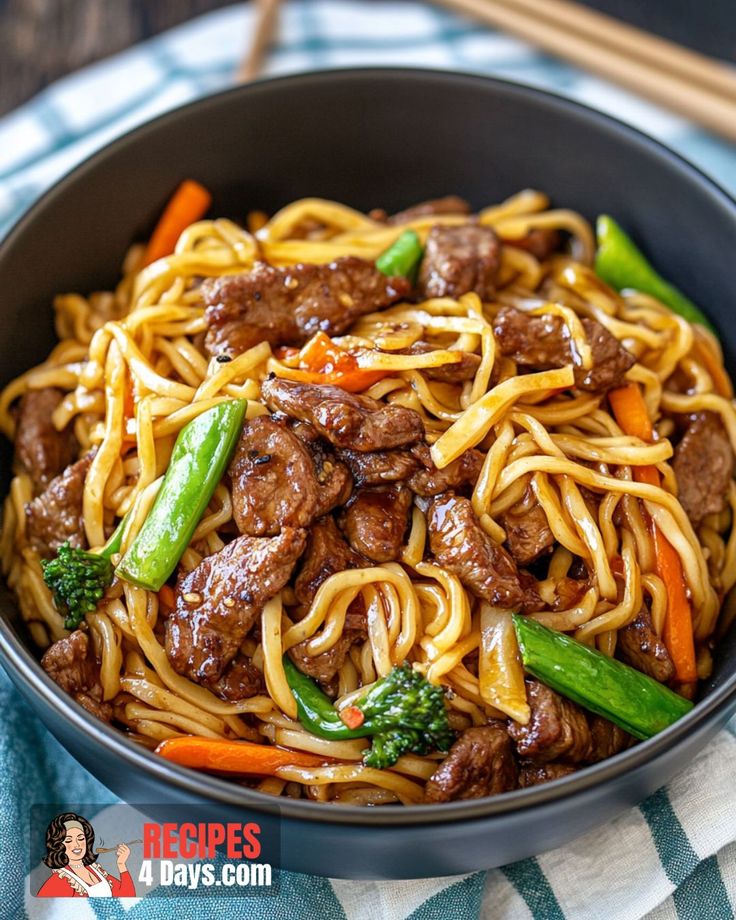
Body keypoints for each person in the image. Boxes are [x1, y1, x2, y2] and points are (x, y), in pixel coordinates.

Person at [36, 812, 136, 898]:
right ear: (58, 845)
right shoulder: (59, 881)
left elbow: (128, 897)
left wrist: (121, 864)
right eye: (69, 840)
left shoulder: (96, 870)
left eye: (80, 838)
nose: (77, 845)